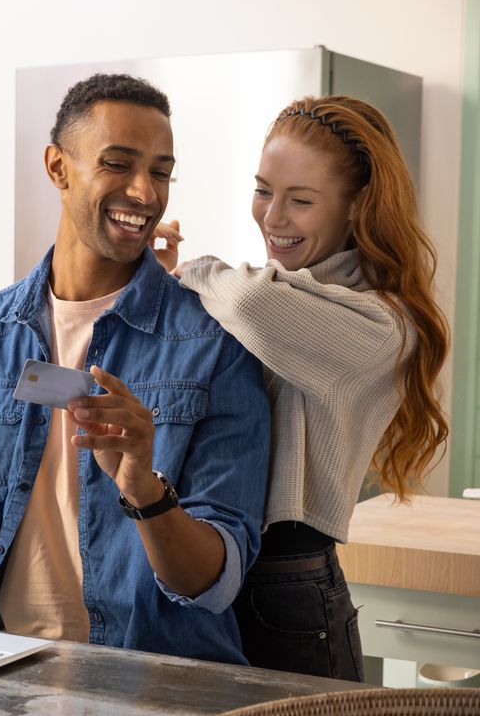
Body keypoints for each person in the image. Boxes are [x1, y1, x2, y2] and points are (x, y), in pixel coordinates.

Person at [0, 73, 271, 665]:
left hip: (157, 688)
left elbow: (214, 580)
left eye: (159, 171)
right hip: (2, 680)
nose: (145, 193)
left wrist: (144, 492)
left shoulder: (216, 347)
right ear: (58, 168)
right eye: (118, 164)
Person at [168, 94, 450, 681]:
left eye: (300, 201)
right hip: (215, 572)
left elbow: (248, 300)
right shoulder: (283, 293)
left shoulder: (380, 325)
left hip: (287, 589)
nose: (272, 217)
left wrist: (189, 271)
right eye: (264, 189)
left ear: (356, 210)